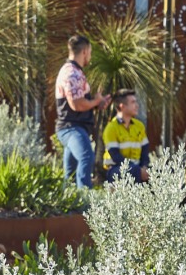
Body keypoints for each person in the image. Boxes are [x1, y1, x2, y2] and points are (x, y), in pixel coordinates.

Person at [54, 34, 110, 188]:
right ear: (85, 51)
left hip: (73, 127)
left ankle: (69, 203)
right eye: (90, 52)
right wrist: (96, 101)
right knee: (86, 157)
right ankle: (85, 201)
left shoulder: (72, 71)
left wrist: (97, 104)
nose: (90, 57)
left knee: (70, 173)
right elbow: (77, 105)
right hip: (71, 128)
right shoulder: (72, 73)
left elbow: (80, 102)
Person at [100, 89, 150, 184]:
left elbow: (145, 150)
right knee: (134, 171)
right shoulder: (111, 128)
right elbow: (116, 156)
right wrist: (139, 171)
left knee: (166, 171)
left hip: (138, 167)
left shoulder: (139, 126)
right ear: (122, 106)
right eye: (133, 102)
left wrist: (144, 167)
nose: (137, 105)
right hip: (116, 169)